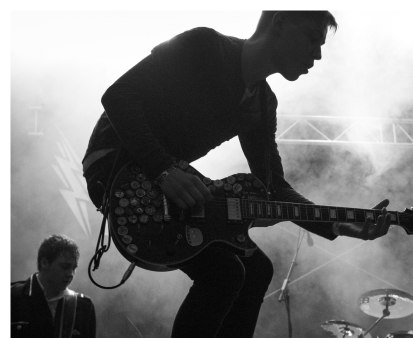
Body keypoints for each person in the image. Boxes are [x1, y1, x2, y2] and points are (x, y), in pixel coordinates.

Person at [82, 11, 392, 338]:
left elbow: (274, 188)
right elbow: (117, 96)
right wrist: (163, 170)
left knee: (257, 270)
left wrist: (340, 224)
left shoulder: (262, 103)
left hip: (165, 180)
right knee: (225, 272)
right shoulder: (204, 46)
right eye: (312, 38)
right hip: (116, 166)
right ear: (280, 23)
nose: (317, 54)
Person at [11, 234, 96, 338]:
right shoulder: (12, 297)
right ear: (44, 263)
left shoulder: (83, 306)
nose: (71, 274)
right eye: (65, 267)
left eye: (74, 268)